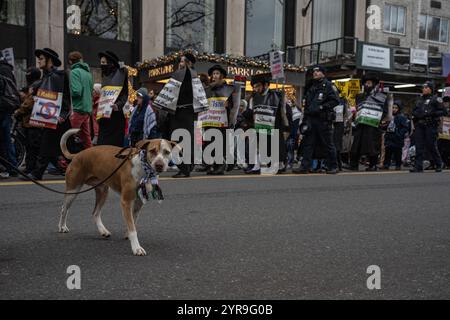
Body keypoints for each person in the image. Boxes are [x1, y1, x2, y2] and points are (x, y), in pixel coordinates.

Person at [154, 52, 209, 178]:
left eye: (183, 61)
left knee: (182, 141)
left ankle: (185, 168)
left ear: (189, 64)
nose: (180, 64)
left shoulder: (191, 77)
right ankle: (186, 167)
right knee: (178, 141)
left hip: (185, 114)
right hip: (178, 114)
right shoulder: (179, 76)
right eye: (180, 61)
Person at [24, 48, 72, 181]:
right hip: (48, 118)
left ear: (49, 60)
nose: (38, 61)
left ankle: (37, 173)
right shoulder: (43, 78)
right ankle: (62, 169)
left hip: (59, 119)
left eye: (41, 58)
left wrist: (63, 114)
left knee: (55, 145)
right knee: (53, 147)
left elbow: (67, 98)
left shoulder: (61, 76)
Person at [294, 65, 340, 175]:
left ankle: (333, 166)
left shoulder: (328, 86)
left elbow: (335, 101)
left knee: (328, 144)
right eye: (314, 71)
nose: (315, 73)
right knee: (308, 144)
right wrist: (305, 120)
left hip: (322, 119)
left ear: (323, 73)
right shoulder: (311, 86)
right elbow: (307, 105)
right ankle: (304, 167)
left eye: (318, 71)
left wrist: (322, 107)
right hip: (311, 119)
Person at [246, 73, 290, 175]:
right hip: (259, 125)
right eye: (254, 86)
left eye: (258, 86)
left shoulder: (277, 96)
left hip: (274, 125)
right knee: (258, 146)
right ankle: (257, 166)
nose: (255, 88)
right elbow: (251, 112)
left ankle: (280, 165)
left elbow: (283, 112)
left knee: (276, 146)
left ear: (265, 85)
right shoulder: (253, 98)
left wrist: (286, 127)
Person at [347, 73, 388, 171]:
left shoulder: (380, 97)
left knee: (372, 145)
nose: (367, 85)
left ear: (373, 84)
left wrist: (378, 119)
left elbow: (384, 111)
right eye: (366, 83)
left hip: (372, 125)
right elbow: (356, 108)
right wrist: (354, 115)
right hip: (360, 125)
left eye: (369, 83)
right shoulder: (359, 96)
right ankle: (353, 164)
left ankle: (372, 165)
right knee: (356, 145)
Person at [202, 64, 238, 175]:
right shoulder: (207, 89)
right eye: (213, 74)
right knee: (209, 143)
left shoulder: (227, 88)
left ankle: (220, 165)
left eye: (217, 73)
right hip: (209, 120)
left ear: (221, 75)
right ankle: (210, 165)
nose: (215, 75)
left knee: (219, 143)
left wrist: (229, 104)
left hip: (222, 120)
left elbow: (235, 104)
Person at [410, 82, 446, 173]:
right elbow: (414, 111)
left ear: (430, 89)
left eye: (426, 87)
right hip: (419, 125)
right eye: (423, 87)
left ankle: (438, 163)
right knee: (419, 146)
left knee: (431, 145)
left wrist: (432, 113)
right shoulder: (419, 100)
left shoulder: (436, 99)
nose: (424, 89)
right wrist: (416, 114)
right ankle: (418, 166)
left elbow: (444, 111)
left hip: (430, 124)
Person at [14, 67, 42, 174]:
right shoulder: (37, 84)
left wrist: (18, 112)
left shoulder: (34, 86)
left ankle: (32, 168)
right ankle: (31, 167)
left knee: (32, 146)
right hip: (33, 121)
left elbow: (28, 103)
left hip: (32, 122)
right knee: (32, 146)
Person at [97, 51, 129, 147]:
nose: (101, 65)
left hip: (116, 117)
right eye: (101, 62)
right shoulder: (104, 75)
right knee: (102, 144)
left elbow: (125, 94)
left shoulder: (121, 74)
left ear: (110, 62)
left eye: (103, 62)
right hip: (104, 116)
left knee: (113, 146)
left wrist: (118, 105)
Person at [0, 51, 20, 179]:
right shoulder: (7, 68)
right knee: (5, 137)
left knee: (4, 137)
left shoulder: (2, 70)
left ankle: (10, 166)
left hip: (3, 107)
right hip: (6, 107)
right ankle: (10, 166)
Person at [68, 51, 94, 149]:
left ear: (70, 61)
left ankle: (69, 160)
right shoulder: (88, 73)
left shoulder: (74, 72)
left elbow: (76, 91)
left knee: (70, 136)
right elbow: (91, 92)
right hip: (87, 109)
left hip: (78, 108)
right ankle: (91, 157)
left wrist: (67, 93)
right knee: (86, 138)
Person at [382, 100, 409, 170]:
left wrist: (399, 134)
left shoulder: (401, 117)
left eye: (396, 108)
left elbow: (405, 127)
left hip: (397, 137)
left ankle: (398, 164)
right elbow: (386, 125)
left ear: (399, 109)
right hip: (389, 136)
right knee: (388, 151)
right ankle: (386, 164)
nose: (394, 109)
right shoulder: (389, 116)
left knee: (397, 152)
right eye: (393, 108)